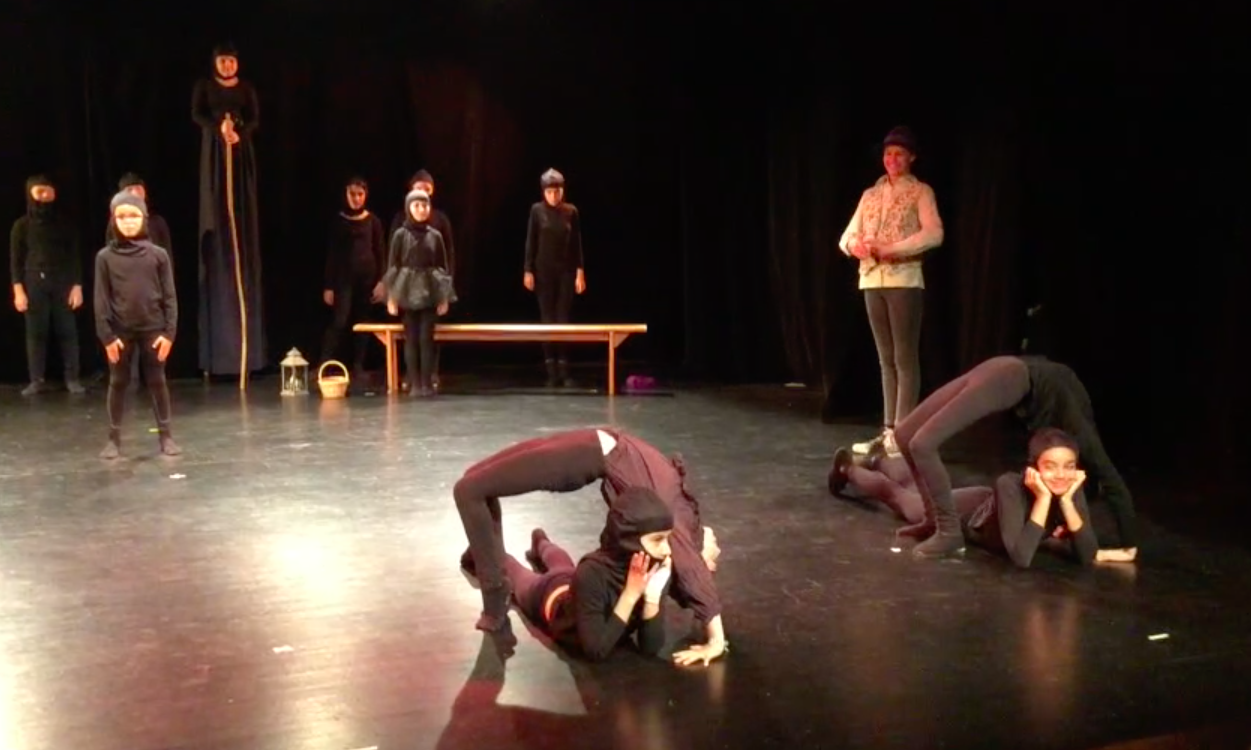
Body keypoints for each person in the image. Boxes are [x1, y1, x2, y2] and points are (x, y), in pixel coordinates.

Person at [452, 427, 727, 666]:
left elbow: (693, 575)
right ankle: (509, 554)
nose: (715, 558)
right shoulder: (683, 526)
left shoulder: (678, 534)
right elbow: (693, 571)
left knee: (469, 489)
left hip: (591, 451)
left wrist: (716, 640)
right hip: (597, 442)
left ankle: (495, 593)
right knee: (471, 480)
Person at [889, 355, 1136, 560]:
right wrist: (1129, 544)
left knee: (915, 440)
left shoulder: (1062, 423)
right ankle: (940, 524)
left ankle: (947, 531)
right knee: (910, 438)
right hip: (1009, 373)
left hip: (1006, 368)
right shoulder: (1078, 432)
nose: (1061, 476)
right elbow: (1111, 480)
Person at [830, 428, 1099, 568]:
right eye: (1050, 466)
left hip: (990, 510)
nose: (1061, 475)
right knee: (906, 501)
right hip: (970, 511)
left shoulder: (1070, 490)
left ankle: (877, 460)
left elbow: (1087, 555)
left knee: (914, 488)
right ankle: (846, 468)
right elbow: (1021, 557)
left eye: (1069, 466)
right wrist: (1043, 500)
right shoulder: (1010, 484)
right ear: (1033, 468)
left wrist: (1067, 502)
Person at [838, 126, 943, 457]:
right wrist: (855, 246)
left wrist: (892, 248)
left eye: (899, 154)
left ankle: (902, 433)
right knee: (886, 359)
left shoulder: (920, 192)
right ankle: (888, 431)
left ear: (912, 157)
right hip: (872, 280)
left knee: (904, 358)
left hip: (903, 280)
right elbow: (845, 237)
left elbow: (934, 234)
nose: (892, 159)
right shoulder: (870, 194)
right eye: (888, 154)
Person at [500, 488, 683, 662]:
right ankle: (531, 544)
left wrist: (652, 597)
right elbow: (596, 650)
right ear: (629, 539)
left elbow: (650, 648)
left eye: (668, 538)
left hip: (574, 584)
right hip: (551, 595)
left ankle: (541, 541)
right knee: (513, 570)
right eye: (657, 540)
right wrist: (630, 594)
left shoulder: (655, 570)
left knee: (562, 564)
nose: (667, 550)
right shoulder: (591, 573)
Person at [192, 42, 264, 380]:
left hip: (239, 148)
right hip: (215, 149)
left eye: (232, 61)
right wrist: (217, 129)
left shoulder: (246, 88)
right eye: (222, 61)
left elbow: (255, 118)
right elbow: (197, 114)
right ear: (215, 63)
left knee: (241, 209)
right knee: (219, 202)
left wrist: (239, 133)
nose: (227, 66)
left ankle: (250, 355)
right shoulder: (205, 87)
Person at [94, 191, 179, 459]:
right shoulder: (105, 257)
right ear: (113, 220)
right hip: (120, 331)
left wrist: (169, 333)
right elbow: (101, 299)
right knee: (118, 382)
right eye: (122, 216)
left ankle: (166, 436)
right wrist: (107, 336)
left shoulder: (158, 255)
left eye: (134, 215)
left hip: (153, 329)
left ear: (144, 218)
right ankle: (113, 439)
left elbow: (170, 296)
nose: (128, 221)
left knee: (157, 381)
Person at [9, 174, 84, 395]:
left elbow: (74, 257)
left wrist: (77, 285)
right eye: (39, 192)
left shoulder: (65, 224)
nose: (44, 196)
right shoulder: (21, 226)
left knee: (67, 331)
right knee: (35, 333)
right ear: (30, 194)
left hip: (62, 282)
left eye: (48, 192)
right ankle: (36, 379)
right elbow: (15, 261)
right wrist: (18, 290)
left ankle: (72, 378)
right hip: (33, 283)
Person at [389, 169, 455, 390]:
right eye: (416, 205)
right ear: (409, 206)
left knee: (427, 338)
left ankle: (427, 381)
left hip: (429, 290)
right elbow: (393, 266)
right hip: (407, 290)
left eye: (425, 205)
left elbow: (443, 266)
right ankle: (414, 381)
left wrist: (444, 296)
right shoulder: (400, 233)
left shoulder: (435, 234)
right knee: (411, 337)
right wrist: (392, 297)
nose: (421, 209)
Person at [523, 168, 585, 388]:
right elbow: (531, 240)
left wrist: (580, 271)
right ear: (544, 192)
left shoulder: (571, 211)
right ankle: (551, 371)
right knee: (547, 319)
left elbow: (577, 242)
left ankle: (564, 369)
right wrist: (528, 270)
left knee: (563, 319)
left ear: (562, 191)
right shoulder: (536, 211)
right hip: (543, 272)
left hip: (566, 272)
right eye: (549, 192)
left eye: (557, 191)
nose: (553, 196)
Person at [320, 176, 386, 378]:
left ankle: (358, 365)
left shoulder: (373, 221)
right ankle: (324, 363)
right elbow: (332, 255)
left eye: (360, 194)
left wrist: (382, 282)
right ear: (346, 194)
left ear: (365, 195)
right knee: (340, 321)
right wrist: (329, 285)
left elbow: (380, 252)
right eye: (352, 194)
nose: (356, 198)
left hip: (367, 280)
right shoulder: (339, 220)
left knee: (363, 321)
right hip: (343, 280)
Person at [104, 173, 172, 254]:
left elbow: (167, 254)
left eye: (138, 189)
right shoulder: (116, 223)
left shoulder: (157, 221)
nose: (135, 193)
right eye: (130, 190)